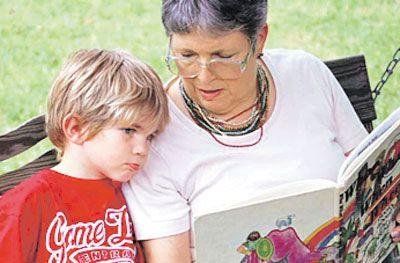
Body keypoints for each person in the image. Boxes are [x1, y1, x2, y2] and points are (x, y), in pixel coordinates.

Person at [122, 1, 397, 262]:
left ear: (259, 39)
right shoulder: (152, 138)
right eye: (187, 56)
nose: (203, 76)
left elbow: (370, 172)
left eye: (223, 57)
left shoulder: (306, 74)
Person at [0, 49, 169, 262]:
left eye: (150, 136)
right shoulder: (28, 203)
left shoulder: (134, 194)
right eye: (129, 131)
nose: (142, 149)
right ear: (76, 128)